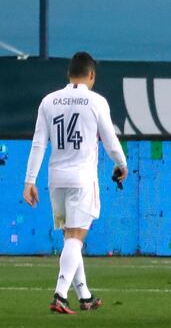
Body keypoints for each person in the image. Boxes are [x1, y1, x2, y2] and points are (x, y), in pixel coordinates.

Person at [23, 52, 128, 314]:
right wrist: (122, 164)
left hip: (56, 178)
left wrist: (29, 181)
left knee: (71, 236)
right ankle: (60, 294)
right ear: (91, 75)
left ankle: (85, 295)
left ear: (68, 73)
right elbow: (109, 139)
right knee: (75, 237)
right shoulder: (96, 101)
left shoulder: (49, 101)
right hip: (82, 178)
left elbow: (39, 143)